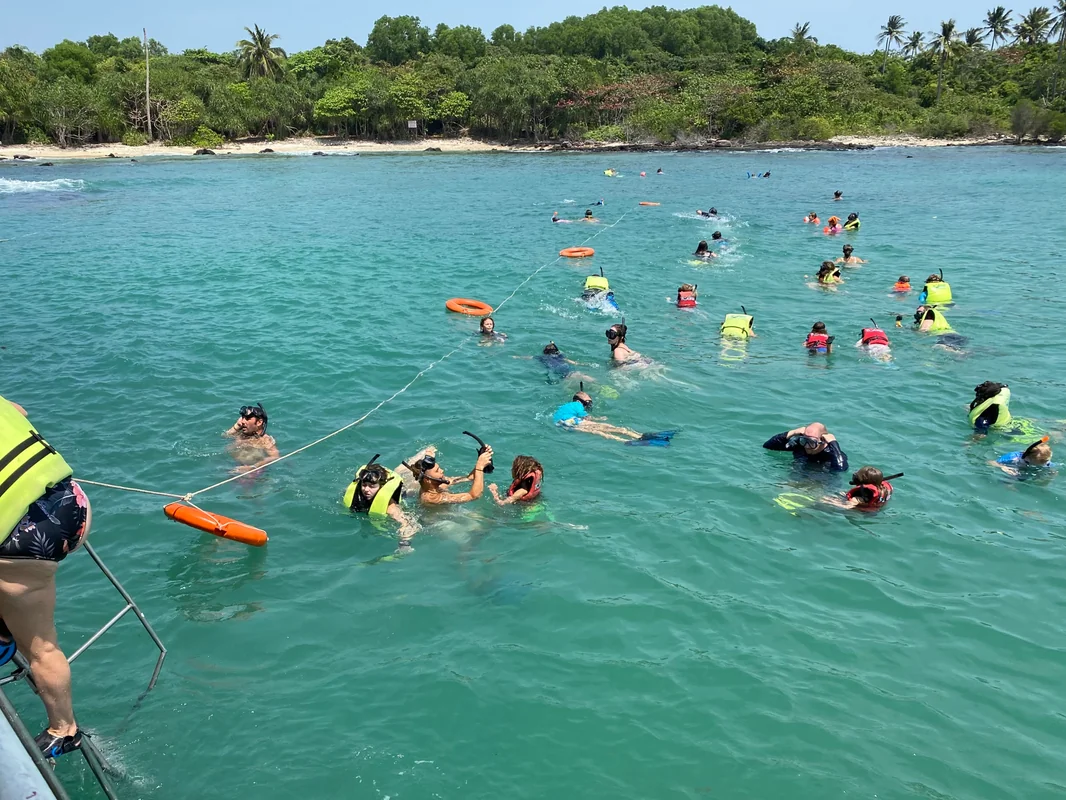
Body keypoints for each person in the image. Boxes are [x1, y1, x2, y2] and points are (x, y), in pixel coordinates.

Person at [0, 397, 90, 759]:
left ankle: (64, 730)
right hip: (72, 503)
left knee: (40, 647)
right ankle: (6, 625)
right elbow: (20, 411)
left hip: (21, 541)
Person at [342, 459, 417, 547]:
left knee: (413, 482)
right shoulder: (354, 492)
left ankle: (427, 453)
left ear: (381, 487)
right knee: (398, 471)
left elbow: (408, 524)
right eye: (364, 485)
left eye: (371, 486)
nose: (366, 489)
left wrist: (404, 544)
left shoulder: (390, 506)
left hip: (404, 492)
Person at [411, 446, 493, 505]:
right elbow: (474, 495)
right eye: (437, 471)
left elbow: (469, 478)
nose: (442, 470)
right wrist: (480, 466)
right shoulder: (431, 498)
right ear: (427, 479)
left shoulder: (439, 483)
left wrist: (481, 457)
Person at [553, 388, 643, 442]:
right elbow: (587, 418)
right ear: (578, 401)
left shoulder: (566, 406)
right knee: (606, 427)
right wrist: (599, 419)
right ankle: (638, 436)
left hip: (560, 424)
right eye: (587, 402)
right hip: (570, 420)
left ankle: (624, 440)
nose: (588, 405)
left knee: (596, 432)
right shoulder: (577, 404)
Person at [762, 422, 848, 471]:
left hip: (819, 481)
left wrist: (833, 443)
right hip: (796, 476)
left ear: (823, 440)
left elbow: (840, 469)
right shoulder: (800, 445)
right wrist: (793, 432)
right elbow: (768, 446)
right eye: (804, 440)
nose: (806, 446)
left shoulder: (833, 454)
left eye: (811, 442)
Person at [223, 403, 280, 474]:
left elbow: (275, 457)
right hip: (234, 465)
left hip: (253, 471)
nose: (243, 421)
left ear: (259, 422)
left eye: (247, 418)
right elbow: (225, 436)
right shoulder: (241, 433)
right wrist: (236, 426)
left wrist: (253, 467)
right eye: (243, 418)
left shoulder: (264, 440)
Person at [821, 466, 899, 510]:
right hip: (874, 507)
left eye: (857, 475)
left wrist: (827, 501)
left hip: (859, 511)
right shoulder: (881, 488)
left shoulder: (862, 494)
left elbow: (848, 506)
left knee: (823, 500)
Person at [990, 437, 1056, 475]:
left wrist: (1052, 474)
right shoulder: (1013, 457)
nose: (1046, 463)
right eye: (1042, 462)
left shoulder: (1045, 461)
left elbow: (1051, 468)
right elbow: (991, 462)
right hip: (1015, 468)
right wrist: (1003, 467)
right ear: (1031, 458)